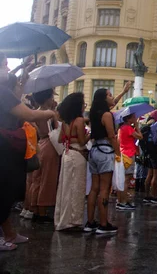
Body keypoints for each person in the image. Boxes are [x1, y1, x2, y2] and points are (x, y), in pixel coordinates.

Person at [0, 52, 56, 250]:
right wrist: (51, 113)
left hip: (7, 148)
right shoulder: (2, 91)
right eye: (5, 65)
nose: (7, 68)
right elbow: (28, 113)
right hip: (5, 149)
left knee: (6, 194)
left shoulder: (5, 92)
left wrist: (25, 71)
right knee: (4, 193)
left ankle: (8, 234)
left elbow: (16, 97)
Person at [86, 88, 121, 234]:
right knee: (104, 188)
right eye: (109, 95)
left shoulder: (94, 114)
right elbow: (112, 135)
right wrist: (118, 153)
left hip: (94, 150)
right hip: (105, 151)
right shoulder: (106, 115)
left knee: (94, 188)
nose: (112, 97)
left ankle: (90, 222)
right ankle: (103, 223)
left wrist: (123, 92)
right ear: (103, 98)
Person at [55, 92, 90, 231]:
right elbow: (82, 141)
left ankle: (62, 219)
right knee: (76, 188)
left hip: (66, 154)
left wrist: (70, 139)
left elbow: (60, 139)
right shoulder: (79, 121)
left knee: (65, 187)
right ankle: (73, 221)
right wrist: (89, 135)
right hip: (77, 156)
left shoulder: (65, 122)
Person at [27, 89, 60, 223]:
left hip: (40, 144)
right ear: (47, 98)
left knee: (37, 180)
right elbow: (57, 128)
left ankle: (34, 208)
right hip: (50, 144)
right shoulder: (49, 113)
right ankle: (42, 211)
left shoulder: (35, 113)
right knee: (47, 180)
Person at [117, 112, 142, 211]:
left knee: (122, 179)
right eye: (133, 117)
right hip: (129, 154)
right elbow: (140, 136)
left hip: (123, 154)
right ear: (129, 119)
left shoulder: (121, 128)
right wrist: (137, 126)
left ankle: (121, 201)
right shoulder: (128, 128)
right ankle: (123, 202)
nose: (135, 118)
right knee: (126, 179)